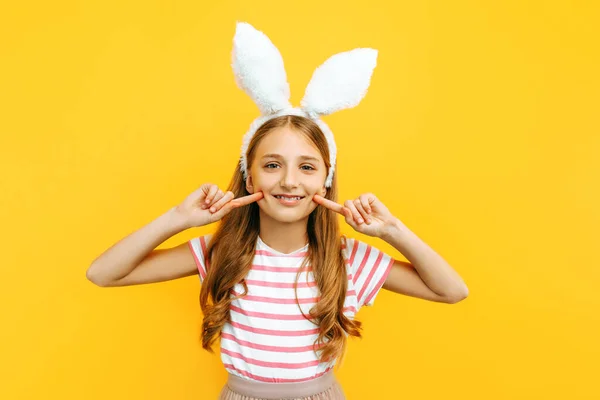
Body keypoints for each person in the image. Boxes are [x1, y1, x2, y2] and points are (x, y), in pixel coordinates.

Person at [86, 22, 469, 400]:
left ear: (325, 180)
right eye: (272, 165)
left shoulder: (347, 258)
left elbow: (452, 291)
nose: (289, 181)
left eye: (306, 167)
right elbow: (103, 273)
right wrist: (177, 217)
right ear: (249, 179)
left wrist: (392, 231)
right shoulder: (219, 252)